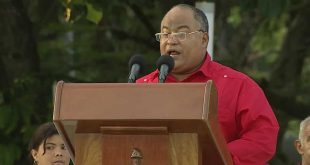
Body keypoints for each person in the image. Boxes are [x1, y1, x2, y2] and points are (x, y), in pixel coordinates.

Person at [136, 4, 279, 165]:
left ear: (204, 39)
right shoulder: (142, 87)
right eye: (165, 33)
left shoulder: (238, 85)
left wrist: (211, 158)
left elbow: (262, 138)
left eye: (181, 33)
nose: (171, 40)